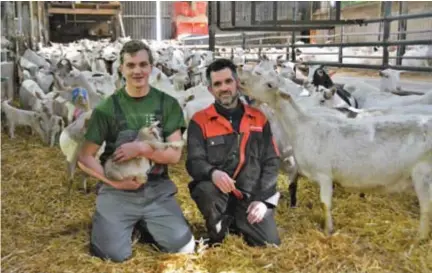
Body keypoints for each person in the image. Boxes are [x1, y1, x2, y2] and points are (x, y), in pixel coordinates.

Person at [78, 40, 195, 262]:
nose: (137, 71)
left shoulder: (167, 104)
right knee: (112, 255)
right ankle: (116, 222)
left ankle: (144, 223)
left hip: (156, 189)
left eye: (143, 64)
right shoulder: (106, 108)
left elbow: (174, 155)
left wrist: (142, 148)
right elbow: (85, 157)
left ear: (151, 67)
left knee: (183, 248)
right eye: (131, 65)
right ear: (121, 69)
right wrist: (115, 183)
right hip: (118, 190)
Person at [185, 58, 281, 247]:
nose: (224, 88)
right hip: (218, 194)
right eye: (217, 84)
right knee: (206, 190)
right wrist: (213, 173)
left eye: (228, 81)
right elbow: (194, 161)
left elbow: (272, 160)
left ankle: (237, 222)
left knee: (270, 243)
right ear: (211, 90)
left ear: (237, 83)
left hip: (250, 195)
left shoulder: (258, 118)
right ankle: (219, 226)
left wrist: (263, 200)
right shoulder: (200, 121)